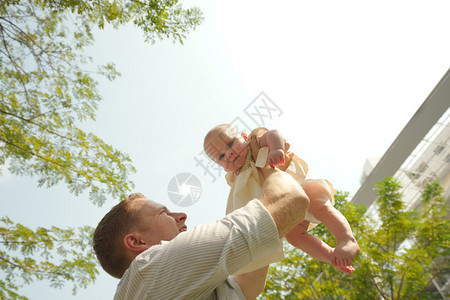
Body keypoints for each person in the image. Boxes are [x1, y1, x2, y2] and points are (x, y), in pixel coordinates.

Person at [93, 163, 311, 299]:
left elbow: (251, 278)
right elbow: (289, 200)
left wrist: (250, 178)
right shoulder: (149, 267)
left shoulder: (187, 289)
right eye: (163, 213)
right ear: (137, 243)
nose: (181, 215)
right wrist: (267, 165)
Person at [203, 124, 360, 275]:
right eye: (221, 156)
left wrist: (276, 148)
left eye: (230, 143)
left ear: (244, 137)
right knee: (294, 237)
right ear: (221, 166)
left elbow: (273, 133)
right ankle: (331, 255)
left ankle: (346, 240)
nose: (229, 153)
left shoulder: (254, 144)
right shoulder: (237, 180)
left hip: (300, 182)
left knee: (320, 207)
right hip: (288, 204)